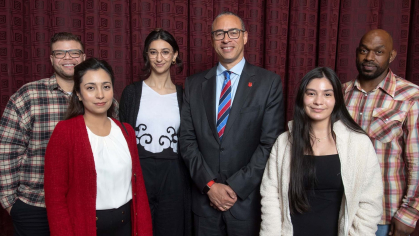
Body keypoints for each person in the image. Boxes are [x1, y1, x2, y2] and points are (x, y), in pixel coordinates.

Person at [180, 12, 285, 236]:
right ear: (212, 40)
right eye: (219, 33)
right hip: (203, 205)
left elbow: (270, 144)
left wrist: (234, 187)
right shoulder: (193, 84)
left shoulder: (269, 83)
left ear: (245, 37)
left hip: (246, 204)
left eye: (233, 32)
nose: (226, 39)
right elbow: (187, 141)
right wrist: (209, 185)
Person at [260, 67, 383, 236]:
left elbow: (370, 201)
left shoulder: (358, 143)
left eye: (327, 94)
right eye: (311, 93)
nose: (319, 101)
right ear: (302, 98)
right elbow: (270, 196)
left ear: (336, 99)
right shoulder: (284, 142)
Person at [43, 58, 152, 236]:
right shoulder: (65, 132)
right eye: (91, 88)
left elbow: (139, 189)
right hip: (87, 228)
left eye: (106, 86)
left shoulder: (126, 131)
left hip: (126, 227)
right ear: (78, 93)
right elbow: (55, 199)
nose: (100, 95)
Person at [0, 32, 86, 235]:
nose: (67, 58)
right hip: (36, 206)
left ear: (83, 57)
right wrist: (11, 203)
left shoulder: (100, 96)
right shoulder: (28, 96)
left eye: (74, 52)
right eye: (60, 53)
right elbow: (6, 150)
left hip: (84, 205)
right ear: (51, 59)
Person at [343, 29, 419, 236]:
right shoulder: (340, 94)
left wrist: (410, 212)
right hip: (343, 210)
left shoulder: (410, 97)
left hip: (385, 215)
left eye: (378, 52)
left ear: (391, 56)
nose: (369, 58)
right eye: (364, 51)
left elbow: (416, 161)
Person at [119, 28, 192, 236]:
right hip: (139, 171)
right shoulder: (132, 93)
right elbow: (122, 139)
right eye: (153, 52)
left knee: (172, 228)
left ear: (175, 55)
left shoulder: (184, 96)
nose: (159, 58)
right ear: (146, 55)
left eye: (165, 52)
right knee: (139, 228)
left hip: (174, 173)